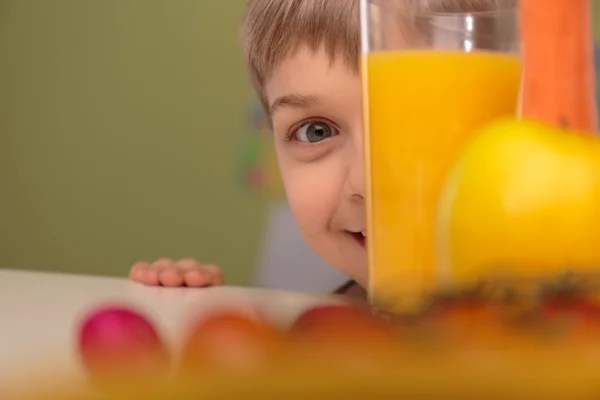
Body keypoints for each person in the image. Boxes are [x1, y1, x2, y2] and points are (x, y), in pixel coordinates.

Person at [129, 0, 511, 301]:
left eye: (418, 121)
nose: (364, 181)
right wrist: (186, 314)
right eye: (316, 131)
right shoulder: (314, 339)